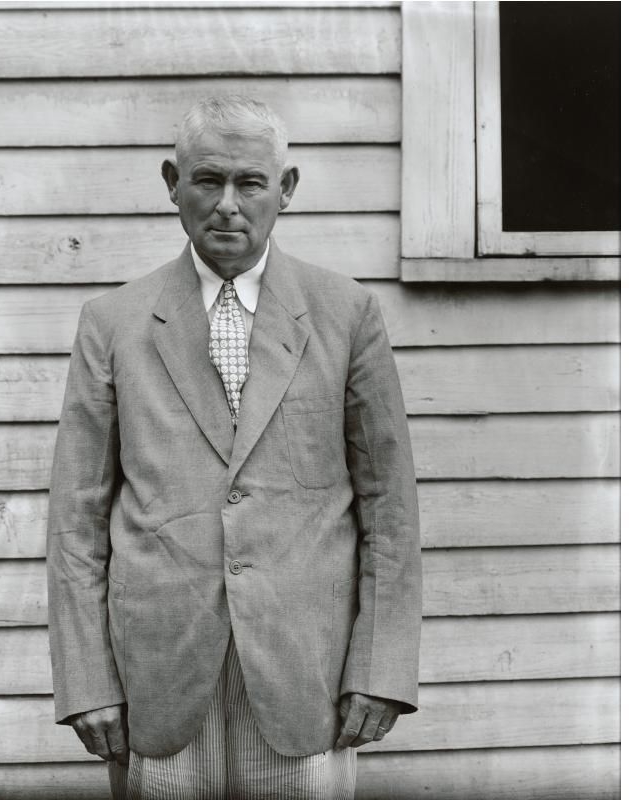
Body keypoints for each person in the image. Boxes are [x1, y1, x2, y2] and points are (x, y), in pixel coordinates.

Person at [46, 96, 422, 800]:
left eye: (249, 183)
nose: (226, 205)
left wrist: (381, 666)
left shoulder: (346, 315)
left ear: (286, 189)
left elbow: (389, 507)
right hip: (155, 680)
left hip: (304, 676)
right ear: (171, 183)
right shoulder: (113, 323)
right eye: (206, 180)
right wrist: (86, 679)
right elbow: (76, 520)